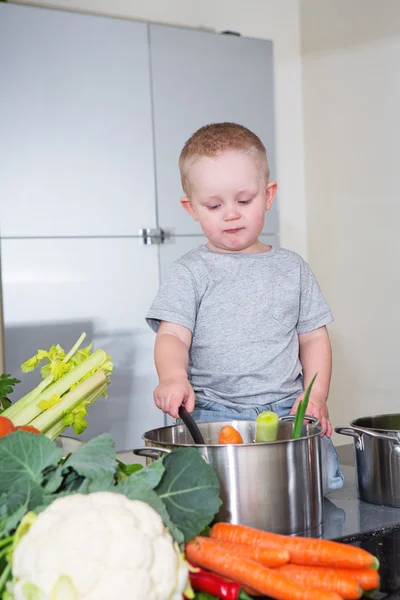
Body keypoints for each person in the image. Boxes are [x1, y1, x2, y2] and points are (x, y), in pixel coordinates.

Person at [146, 122, 343, 495]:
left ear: (268, 195)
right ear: (191, 208)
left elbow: (314, 338)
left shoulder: (292, 268)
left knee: (325, 477)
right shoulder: (190, 272)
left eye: (244, 200)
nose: (231, 214)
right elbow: (172, 335)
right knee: (217, 488)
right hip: (214, 408)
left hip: (287, 406)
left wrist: (316, 395)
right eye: (215, 205)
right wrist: (173, 377)